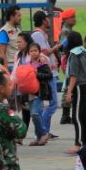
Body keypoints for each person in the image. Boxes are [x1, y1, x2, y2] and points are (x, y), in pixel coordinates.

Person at [30, 11, 61, 139]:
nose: (49, 21)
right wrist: (57, 47)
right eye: (47, 19)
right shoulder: (37, 35)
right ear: (43, 20)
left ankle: (44, 130)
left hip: (50, 72)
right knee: (53, 103)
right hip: (47, 73)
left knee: (49, 103)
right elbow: (43, 53)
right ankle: (42, 130)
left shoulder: (41, 34)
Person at [64, 32, 86, 154]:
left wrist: (69, 91)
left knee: (77, 117)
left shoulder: (74, 54)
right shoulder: (84, 51)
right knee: (83, 116)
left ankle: (78, 143)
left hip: (79, 87)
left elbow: (73, 75)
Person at [59, 8, 78, 125]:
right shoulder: (66, 32)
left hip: (67, 59)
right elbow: (64, 46)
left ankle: (66, 114)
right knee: (69, 84)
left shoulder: (68, 30)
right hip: (68, 59)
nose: (75, 19)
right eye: (72, 17)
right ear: (66, 19)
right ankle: (65, 114)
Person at [0, 6, 22, 71]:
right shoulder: (3, 32)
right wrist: (6, 70)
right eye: (18, 16)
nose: (20, 18)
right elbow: (1, 52)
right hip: (11, 66)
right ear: (12, 17)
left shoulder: (18, 30)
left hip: (18, 63)